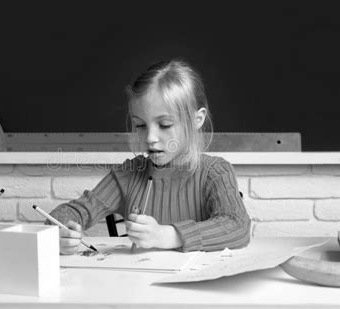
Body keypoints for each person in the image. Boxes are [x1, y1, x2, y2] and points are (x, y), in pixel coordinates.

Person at [48, 59, 251, 254]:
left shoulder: (215, 172)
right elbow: (70, 212)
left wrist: (166, 235)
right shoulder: (129, 174)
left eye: (164, 125)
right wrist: (61, 232)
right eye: (140, 125)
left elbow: (237, 226)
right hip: (142, 286)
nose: (150, 138)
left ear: (197, 120)